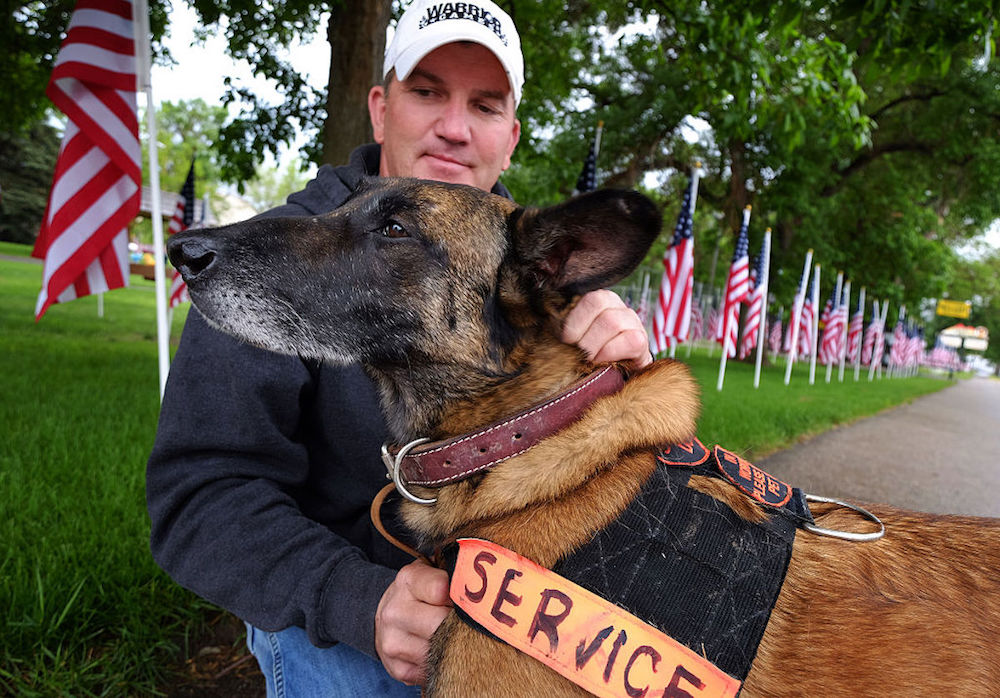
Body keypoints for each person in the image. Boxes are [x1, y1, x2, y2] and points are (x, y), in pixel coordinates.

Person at [146, 1, 652, 694]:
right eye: (427, 91)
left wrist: (611, 382)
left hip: (514, 598)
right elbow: (199, 497)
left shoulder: (541, 280)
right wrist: (358, 600)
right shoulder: (277, 261)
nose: (453, 126)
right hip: (332, 598)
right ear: (380, 108)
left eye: (485, 104)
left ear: (511, 136)